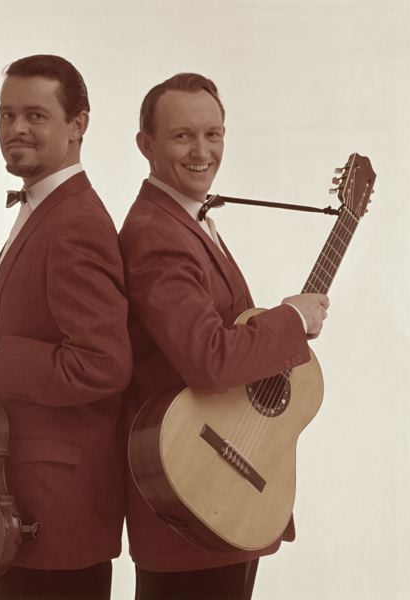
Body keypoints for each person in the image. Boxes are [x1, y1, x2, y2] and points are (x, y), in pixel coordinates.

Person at [119, 73, 329, 600]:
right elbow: (210, 359)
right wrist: (291, 319)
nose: (202, 151)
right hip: (190, 492)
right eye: (182, 136)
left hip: (222, 493)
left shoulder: (187, 221)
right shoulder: (157, 233)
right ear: (145, 145)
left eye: (213, 134)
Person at [0, 54, 132, 600]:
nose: (16, 129)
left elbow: (104, 365)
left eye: (35, 115)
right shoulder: (44, 209)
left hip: (56, 514)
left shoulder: (76, 222)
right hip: (13, 507)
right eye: (7, 115)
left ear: (78, 125)